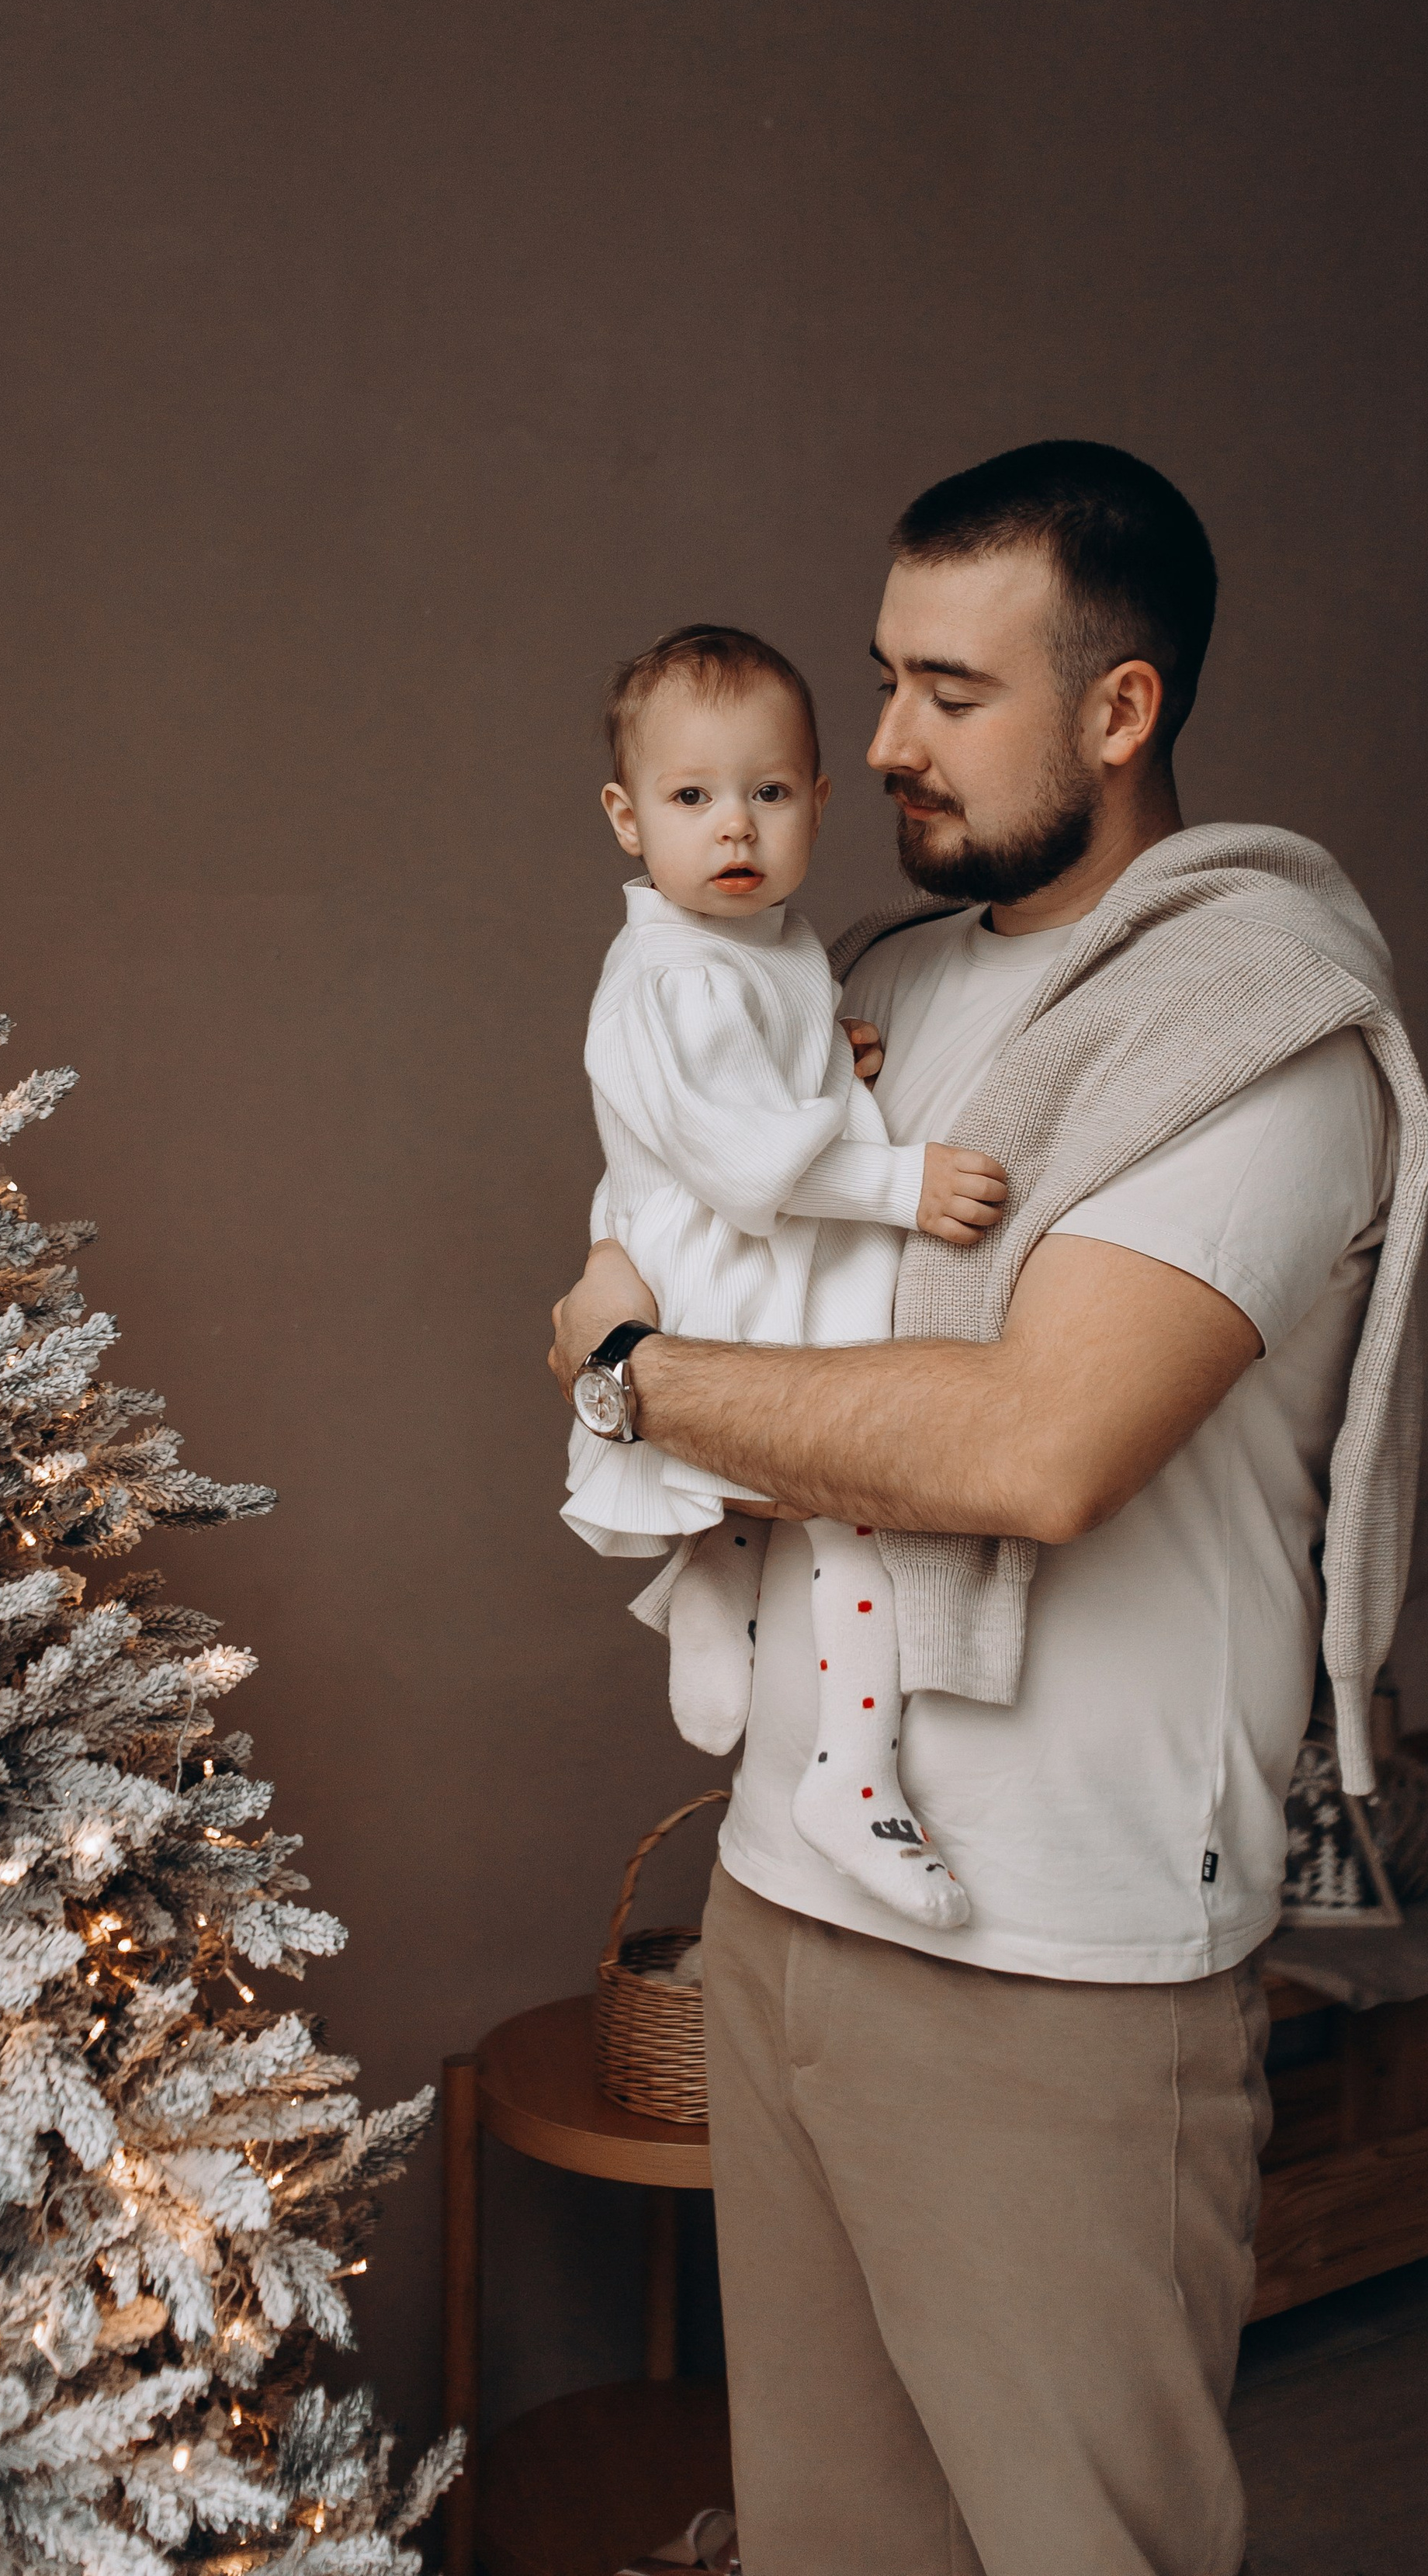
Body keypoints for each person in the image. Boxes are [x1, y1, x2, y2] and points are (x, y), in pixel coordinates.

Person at [551, 442, 1428, 2576]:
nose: (876, 747)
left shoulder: (1253, 1037)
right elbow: (731, 1235)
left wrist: (630, 1377)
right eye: (883, 681)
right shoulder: (872, 986)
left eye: (952, 693)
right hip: (786, 1903)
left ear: (1121, 711)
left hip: (1062, 1953)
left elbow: (1034, 1447)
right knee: (838, 2545)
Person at [563, 619, 1007, 1927]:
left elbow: (769, 1071)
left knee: (773, 1478)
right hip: (723, 1259)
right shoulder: (675, 979)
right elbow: (748, 1161)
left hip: (747, 1251)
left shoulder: (762, 947)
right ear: (627, 818)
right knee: (850, 1502)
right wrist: (899, 1180)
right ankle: (852, 1778)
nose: (736, 830)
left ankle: (703, 1581)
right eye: (693, 798)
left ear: (816, 802)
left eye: (767, 793)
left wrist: (830, 1059)